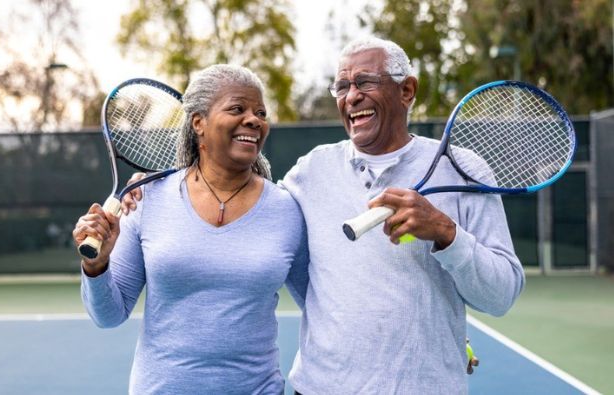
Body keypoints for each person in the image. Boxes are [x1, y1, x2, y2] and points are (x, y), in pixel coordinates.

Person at [123, 36, 522, 394]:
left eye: (365, 82)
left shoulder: (463, 170)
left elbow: (501, 295)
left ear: (407, 90)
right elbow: (292, 265)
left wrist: (445, 234)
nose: (352, 96)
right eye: (342, 86)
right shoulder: (310, 174)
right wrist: (160, 187)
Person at [72, 64, 309, 394]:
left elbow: (320, 302)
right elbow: (109, 315)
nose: (254, 120)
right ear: (198, 122)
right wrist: (96, 265)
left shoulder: (286, 209)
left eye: (261, 112)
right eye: (237, 109)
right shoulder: (147, 198)